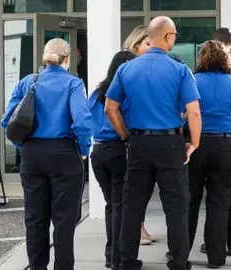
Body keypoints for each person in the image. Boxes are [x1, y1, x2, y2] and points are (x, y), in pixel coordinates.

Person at [105, 16, 202, 270]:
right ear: (169, 36)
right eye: (175, 35)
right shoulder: (180, 69)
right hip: (170, 143)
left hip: (138, 143)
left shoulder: (126, 68)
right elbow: (194, 112)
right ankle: (179, 261)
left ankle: (127, 261)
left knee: (132, 205)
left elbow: (110, 108)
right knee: (176, 206)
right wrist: (194, 143)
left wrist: (126, 136)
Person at [1, 38, 92, 270]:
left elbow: (8, 122)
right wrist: (83, 150)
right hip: (64, 154)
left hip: (32, 154)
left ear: (45, 56)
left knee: (35, 218)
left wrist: (24, 147)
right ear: (68, 59)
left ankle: (37, 267)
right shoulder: (73, 84)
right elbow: (82, 121)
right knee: (64, 219)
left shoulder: (26, 82)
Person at [187, 40, 231, 268]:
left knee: (189, 200)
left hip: (195, 146)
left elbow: (183, 114)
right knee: (220, 203)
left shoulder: (191, 82)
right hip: (226, 146)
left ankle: (181, 253)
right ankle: (216, 257)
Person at [89, 50, 136, 269]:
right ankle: (119, 258)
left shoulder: (96, 92)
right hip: (118, 149)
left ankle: (110, 254)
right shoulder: (125, 93)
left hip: (97, 152)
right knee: (120, 206)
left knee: (111, 204)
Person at [122, 24, 155, 246]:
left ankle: (140, 227)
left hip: (145, 138)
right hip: (132, 137)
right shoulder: (127, 70)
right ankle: (137, 230)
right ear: (136, 45)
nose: (152, 49)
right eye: (147, 44)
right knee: (135, 190)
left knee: (144, 187)